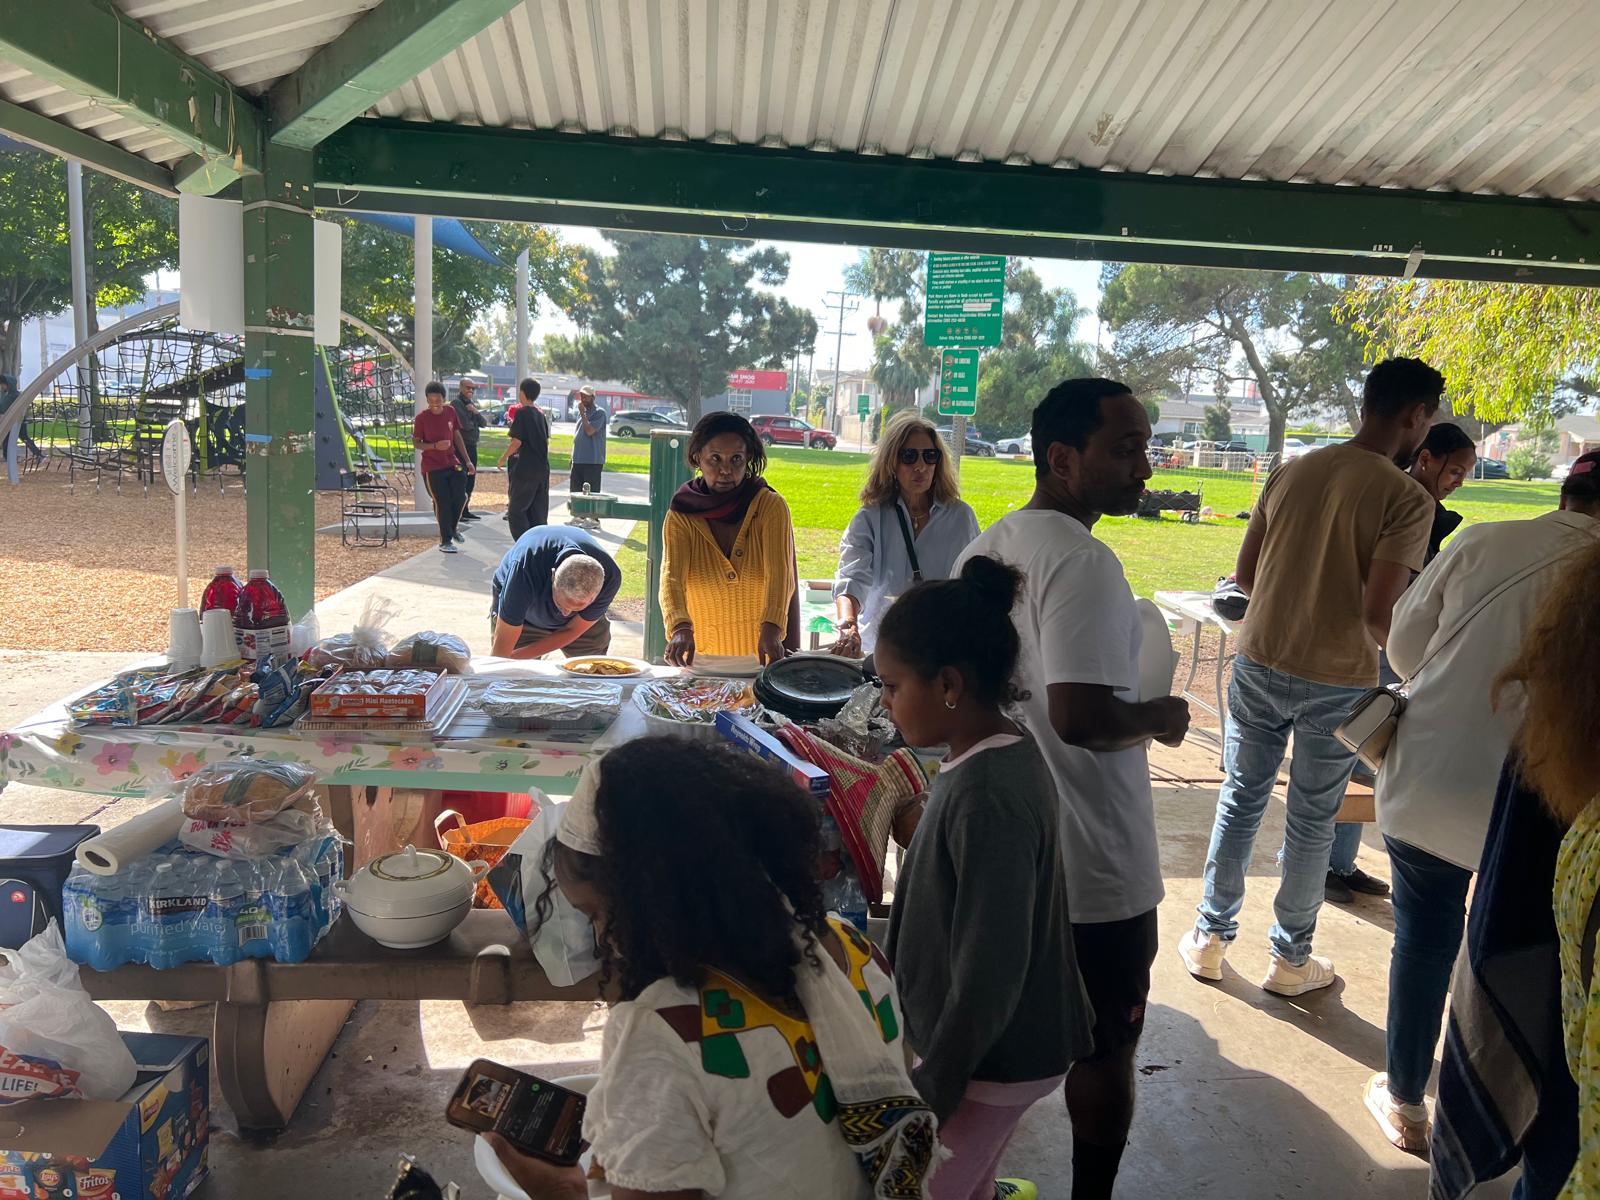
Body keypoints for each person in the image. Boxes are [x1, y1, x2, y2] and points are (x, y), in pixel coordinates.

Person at [486, 738, 939, 1200]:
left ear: (656, 900)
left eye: (598, 914)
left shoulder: (664, 1034)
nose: (602, 938)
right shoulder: (854, 951)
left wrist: (561, 1192)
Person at [956, 379, 1190, 1200]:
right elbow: (1083, 717)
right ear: (1062, 458)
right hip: (1092, 861)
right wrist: (1160, 716)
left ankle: (972, 1181)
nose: (1144, 468)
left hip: (1006, 848)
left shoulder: (987, 549)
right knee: (1105, 1049)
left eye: (1145, 447)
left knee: (991, 1045)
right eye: (1125, 449)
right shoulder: (1084, 561)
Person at [1360, 450, 1600, 1151]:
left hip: (1429, 781)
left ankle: (1406, 1098)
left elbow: (1405, 650)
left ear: (1566, 495)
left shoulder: (1483, 540)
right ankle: (1517, 1112)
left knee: (1423, 938)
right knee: (1534, 956)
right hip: (1546, 805)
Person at [1181, 357, 1442, 997]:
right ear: (1416, 415)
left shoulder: (1292, 470)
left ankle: (1210, 939)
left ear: (1367, 402)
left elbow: (1245, 576)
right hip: (1338, 678)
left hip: (1260, 658)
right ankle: (1290, 960)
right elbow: (1379, 614)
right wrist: (1426, 669)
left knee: (1241, 798)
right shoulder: (1408, 499)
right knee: (1311, 821)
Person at [881, 556, 1093, 1200]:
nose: (885, 703)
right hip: (981, 1048)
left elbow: (992, 967)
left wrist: (938, 1086)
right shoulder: (988, 751)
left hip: (990, 1060)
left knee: (924, 1189)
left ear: (948, 684)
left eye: (892, 686)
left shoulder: (988, 794)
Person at [1329, 420, 1480, 902]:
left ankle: (1339, 862)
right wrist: (1412, 661)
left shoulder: (1426, 511)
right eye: (1454, 470)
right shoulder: (1403, 502)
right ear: (1426, 458)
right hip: (1378, 646)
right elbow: (1383, 601)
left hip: (1393, 645)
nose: (1458, 482)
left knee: (1366, 760)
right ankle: (1322, 865)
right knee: (1348, 756)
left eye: (1464, 474)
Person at [832, 411, 980, 658]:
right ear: (891, 463)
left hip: (941, 651)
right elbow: (851, 579)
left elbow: (974, 587)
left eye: (929, 456)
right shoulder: (870, 518)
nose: (920, 466)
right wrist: (848, 625)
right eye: (909, 456)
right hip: (880, 650)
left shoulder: (961, 517)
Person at [662, 412, 797, 667]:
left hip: (760, 660)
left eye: (736, 459)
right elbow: (671, 577)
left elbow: (780, 575)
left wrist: (772, 628)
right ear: (697, 458)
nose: (726, 470)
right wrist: (679, 626)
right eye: (715, 459)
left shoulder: (770, 507)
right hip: (700, 662)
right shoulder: (681, 515)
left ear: (748, 459)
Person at [489, 525, 621, 658]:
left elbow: (572, 629)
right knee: (512, 669)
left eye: (577, 609)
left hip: (580, 625)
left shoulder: (610, 578)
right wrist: (510, 661)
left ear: (596, 595)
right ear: (553, 577)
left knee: (591, 665)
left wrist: (517, 658)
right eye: (561, 605)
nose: (565, 614)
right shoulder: (524, 570)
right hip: (526, 614)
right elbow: (501, 654)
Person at [412, 381, 475, 555]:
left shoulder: (450, 412)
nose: (435, 403)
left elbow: (457, 436)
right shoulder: (421, 418)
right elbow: (416, 443)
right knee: (442, 502)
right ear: (427, 399)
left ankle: (452, 529)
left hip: (452, 462)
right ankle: (445, 540)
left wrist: (468, 461)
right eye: (431, 400)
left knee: (461, 496)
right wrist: (434, 446)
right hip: (432, 466)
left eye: (438, 400)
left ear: (444, 398)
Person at [499, 378, 552, 540]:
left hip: (526, 468)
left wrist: (503, 458)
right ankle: (538, 543)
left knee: (516, 510)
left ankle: (523, 543)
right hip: (542, 468)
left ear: (522, 393)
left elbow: (516, 441)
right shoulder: (540, 415)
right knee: (537, 511)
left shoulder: (522, 413)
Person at [570, 385, 608, 530]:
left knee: (592, 490)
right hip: (578, 458)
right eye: (581, 396)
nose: (583, 399)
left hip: (593, 459)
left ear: (593, 397)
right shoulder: (581, 414)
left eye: (586, 396)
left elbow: (589, 431)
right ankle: (579, 516)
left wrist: (583, 414)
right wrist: (572, 457)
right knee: (576, 489)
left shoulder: (599, 413)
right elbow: (578, 435)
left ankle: (594, 519)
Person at [452, 376, 488, 522]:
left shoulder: (470, 404)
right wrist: (474, 420)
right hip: (461, 447)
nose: (471, 390)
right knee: (461, 479)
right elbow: (465, 426)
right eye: (468, 387)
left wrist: (475, 412)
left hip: (472, 446)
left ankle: (465, 509)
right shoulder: (456, 404)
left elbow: (484, 423)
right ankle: (458, 511)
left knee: (470, 479)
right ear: (460, 387)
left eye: (473, 388)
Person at [0, 374, 44, 466]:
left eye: (3, 384)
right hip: (8, 420)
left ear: (9, 384)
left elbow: (19, 408)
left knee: (24, 437)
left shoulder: (16, 395)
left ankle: (38, 454)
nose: (2, 386)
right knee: (6, 437)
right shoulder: (5, 395)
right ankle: (6, 456)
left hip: (18, 420)